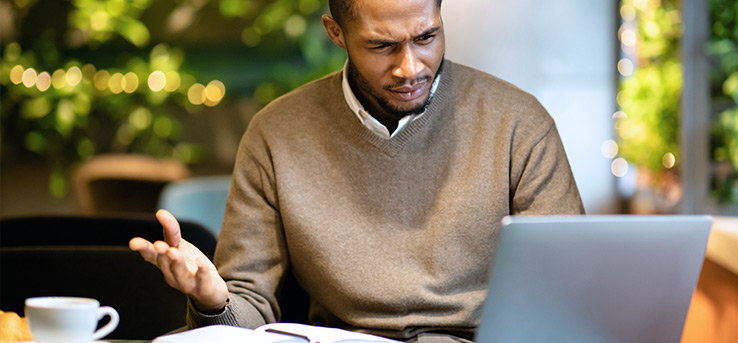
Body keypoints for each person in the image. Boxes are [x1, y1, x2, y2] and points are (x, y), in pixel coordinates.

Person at [130, 0, 585, 341]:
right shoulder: (277, 134)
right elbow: (246, 310)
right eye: (382, 45)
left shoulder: (518, 122)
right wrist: (214, 300)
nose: (410, 67)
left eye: (426, 37)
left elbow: (569, 294)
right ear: (336, 32)